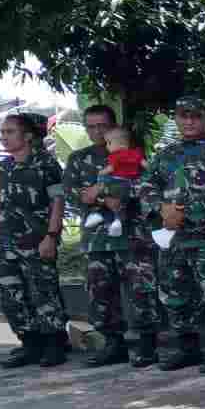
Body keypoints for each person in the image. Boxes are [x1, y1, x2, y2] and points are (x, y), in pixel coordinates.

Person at [141, 95, 205, 373]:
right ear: (177, 118)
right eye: (184, 115)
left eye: (195, 115)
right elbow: (146, 185)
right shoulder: (165, 154)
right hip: (173, 238)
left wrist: (185, 212)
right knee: (175, 293)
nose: (189, 121)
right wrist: (161, 209)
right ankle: (187, 347)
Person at [63, 108, 160, 368]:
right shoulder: (78, 158)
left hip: (133, 236)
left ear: (113, 126)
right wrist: (106, 196)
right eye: (90, 126)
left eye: (102, 126)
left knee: (141, 291)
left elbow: (149, 184)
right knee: (100, 293)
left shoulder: (129, 152)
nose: (97, 132)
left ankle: (147, 345)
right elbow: (75, 194)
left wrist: (116, 193)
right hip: (97, 239)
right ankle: (113, 344)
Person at [0, 113, 69, 368]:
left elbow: (57, 203)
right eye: (3, 132)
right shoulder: (5, 166)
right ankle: (30, 343)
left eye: (10, 132)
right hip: (7, 244)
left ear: (27, 135)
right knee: (10, 294)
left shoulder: (46, 164)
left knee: (44, 293)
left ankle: (55, 344)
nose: (4, 137)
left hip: (37, 241)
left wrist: (51, 236)